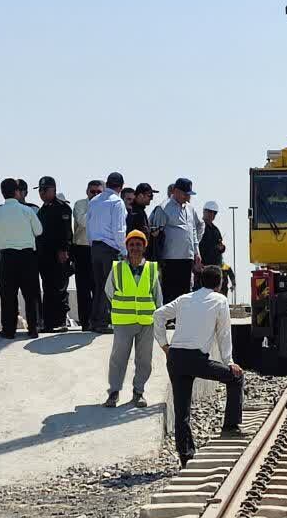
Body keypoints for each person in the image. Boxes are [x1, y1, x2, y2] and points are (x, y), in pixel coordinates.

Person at [153, 265, 243, 467]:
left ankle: (186, 456)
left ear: (201, 281)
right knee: (235, 377)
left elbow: (158, 315)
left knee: (181, 410)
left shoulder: (184, 299)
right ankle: (230, 426)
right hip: (196, 360)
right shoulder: (220, 300)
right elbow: (224, 334)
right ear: (219, 283)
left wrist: (164, 345)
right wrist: (229, 362)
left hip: (175, 358)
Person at [103, 230, 163, 408]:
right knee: (118, 358)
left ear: (144, 247)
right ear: (127, 247)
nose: (135, 248)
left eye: (138, 244)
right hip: (124, 322)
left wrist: (158, 318)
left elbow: (157, 296)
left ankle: (138, 393)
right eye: (131, 244)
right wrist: (123, 307)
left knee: (144, 359)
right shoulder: (118, 268)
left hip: (146, 322)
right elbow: (109, 291)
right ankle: (113, 393)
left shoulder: (152, 269)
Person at [0, 177, 44, 339]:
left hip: (6, 257)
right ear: (17, 192)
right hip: (27, 256)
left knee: (8, 296)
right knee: (31, 295)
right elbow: (39, 231)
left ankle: (9, 330)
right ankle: (33, 328)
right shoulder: (27, 211)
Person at [151, 178, 204, 306]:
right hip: (170, 258)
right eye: (185, 193)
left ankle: (182, 318)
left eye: (188, 194)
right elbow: (155, 234)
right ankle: (169, 318)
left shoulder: (190, 209)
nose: (187, 197)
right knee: (169, 290)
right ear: (175, 191)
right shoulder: (163, 208)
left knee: (185, 291)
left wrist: (197, 252)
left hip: (187, 257)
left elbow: (193, 231)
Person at [86, 172, 127, 333]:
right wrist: (124, 251)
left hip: (95, 248)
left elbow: (89, 227)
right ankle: (103, 322)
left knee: (99, 286)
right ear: (121, 187)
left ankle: (95, 320)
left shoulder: (94, 201)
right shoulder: (117, 202)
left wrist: (93, 245)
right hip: (110, 248)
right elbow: (119, 230)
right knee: (109, 286)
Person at [36, 176, 74, 332]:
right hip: (45, 256)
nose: (42, 193)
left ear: (53, 190)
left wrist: (64, 250)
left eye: (45, 190)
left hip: (59, 255)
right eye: (40, 190)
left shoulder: (62, 208)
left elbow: (66, 232)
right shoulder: (42, 210)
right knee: (48, 289)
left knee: (60, 288)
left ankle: (60, 321)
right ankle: (49, 322)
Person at [72, 180, 103, 329]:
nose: (96, 195)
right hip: (82, 249)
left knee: (99, 287)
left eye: (99, 192)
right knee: (83, 289)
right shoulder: (80, 204)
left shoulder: (106, 205)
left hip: (99, 248)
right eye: (93, 192)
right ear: (87, 191)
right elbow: (83, 221)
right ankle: (85, 322)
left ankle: (97, 321)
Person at [198, 201, 225, 271]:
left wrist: (222, 248)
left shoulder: (216, 230)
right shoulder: (199, 227)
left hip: (216, 267)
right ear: (204, 211)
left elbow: (220, 244)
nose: (212, 214)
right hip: (203, 267)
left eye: (214, 213)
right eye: (210, 212)